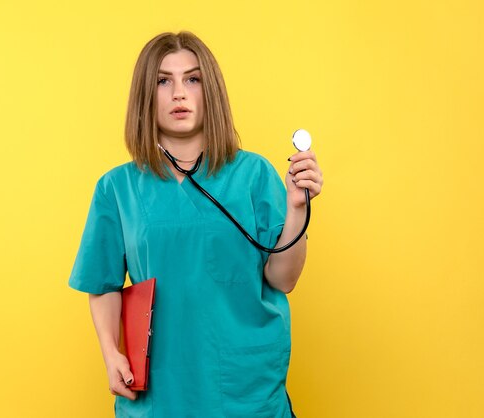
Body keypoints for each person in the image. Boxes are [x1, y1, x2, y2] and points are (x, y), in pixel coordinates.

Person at [68, 31, 323, 418]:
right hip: (160, 390)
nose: (178, 94)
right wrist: (110, 352)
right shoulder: (116, 188)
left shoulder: (253, 174)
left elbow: (283, 279)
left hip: (243, 386)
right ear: (145, 96)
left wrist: (296, 209)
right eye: (162, 81)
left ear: (211, 91)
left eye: (192, 79)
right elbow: (102, 284)